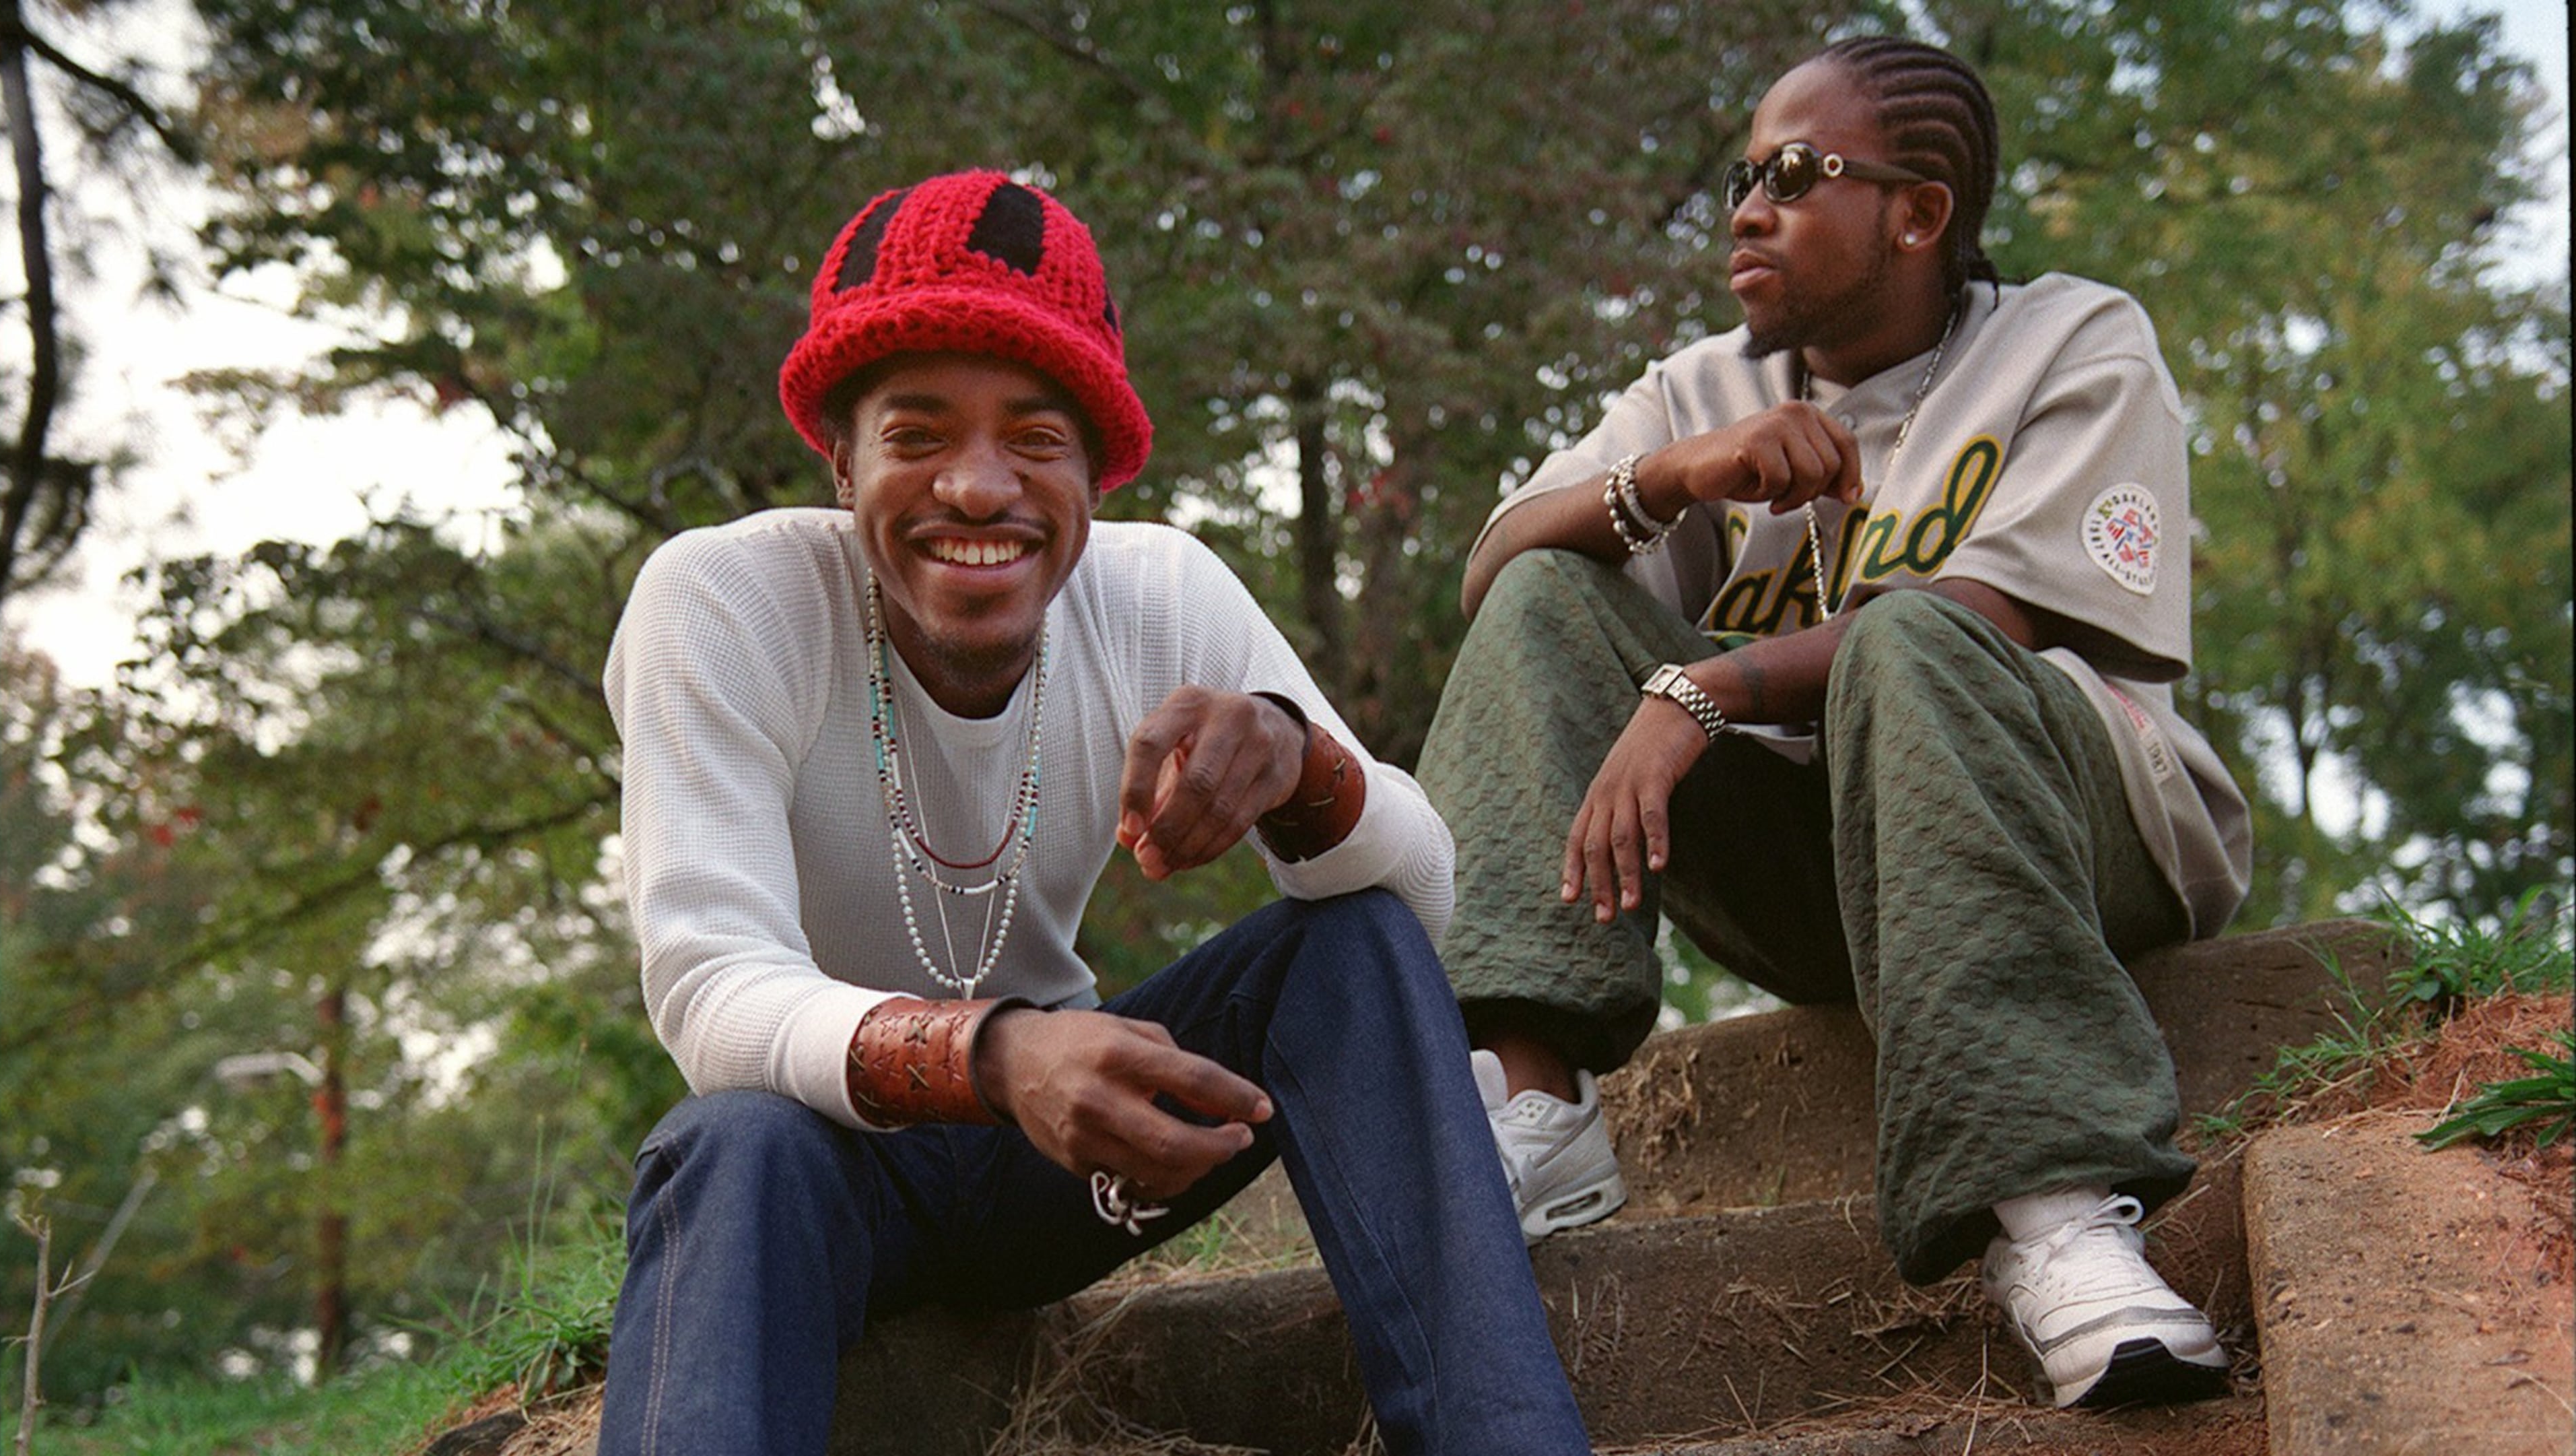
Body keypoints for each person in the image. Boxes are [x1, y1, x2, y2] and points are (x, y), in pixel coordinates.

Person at [593, 170, 1591, 1456]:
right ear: (840, 459)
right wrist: (997, 1054)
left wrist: (1298, 767)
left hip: (1067, 1169)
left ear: (1096, 472)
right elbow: (710, 989)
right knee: (730, 1145)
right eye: (916, 435)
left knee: (1353, 942)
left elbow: (1422, 901)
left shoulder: (1158, 592)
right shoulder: (723, 603)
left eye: (1035, 436)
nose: (976, 486)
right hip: (831, 1173)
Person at [1416, 36, 2253, 1412]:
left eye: (1796, 175)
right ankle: (1535, 1104)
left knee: (1920, 633)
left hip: (2066, 827)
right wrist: (1673, 477)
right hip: (1828, 880)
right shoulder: (1707, 385)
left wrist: (1703, 688)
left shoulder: (2073, 339)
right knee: (1545, 590)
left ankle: (2058, 1218)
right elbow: (1489, 570)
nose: (1746, 206)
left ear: (1918, 213)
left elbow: (2001, 616)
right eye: (1745, 175)